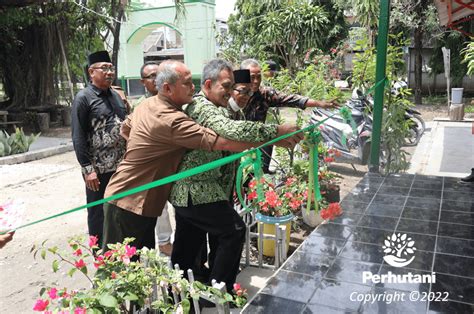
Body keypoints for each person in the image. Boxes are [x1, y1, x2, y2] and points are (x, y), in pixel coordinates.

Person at [101, 60, 300, 252]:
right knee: (121, 268)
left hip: (142, 200)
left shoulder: (148, 104)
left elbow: (125, 130)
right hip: (128, 200)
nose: (192, 87)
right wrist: (276, 135)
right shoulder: (172, 120)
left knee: (143, 265)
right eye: (186, 83)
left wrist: (147, 152)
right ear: (168, 89)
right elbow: (223, 142)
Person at [169, 59, 304, 294]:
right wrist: (277, 131)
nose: (231, 93)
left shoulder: (219, 108)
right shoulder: (202, 107)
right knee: (233, 230)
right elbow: (233, 131)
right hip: (195, 188)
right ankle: (219, 290)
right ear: (209, 84)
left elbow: (236, 138)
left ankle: (182, 295)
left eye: (233, 87)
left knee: (187, 247)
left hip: (198, 191)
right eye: (227, 86)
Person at [240, 58, 339, 173]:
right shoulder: (233, 95)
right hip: (236, 142)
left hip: (257, 140)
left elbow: (292, 99)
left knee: (267, 143)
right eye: (252, 77)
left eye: (258, 77)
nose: (256, 81)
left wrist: (320, 103)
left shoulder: (264, 94)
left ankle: (263, 173)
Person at [71, 51, 127, 246]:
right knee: (98, 212)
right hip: (98, 170)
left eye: (111, 68)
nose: (109, 72)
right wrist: (88, 169)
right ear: (91, 72)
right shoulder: (84, 98)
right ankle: (100, 254)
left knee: (119, 208)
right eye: (104, 68)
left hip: (120, 167)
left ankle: (120, 248)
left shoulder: (116, 96)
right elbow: (78, 135)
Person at [133, 61, 174, 256]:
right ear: (143, 82)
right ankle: (163, 242)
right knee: (158, 205)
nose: (156, 79)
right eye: (151, 76)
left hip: (171, 163)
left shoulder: (172, 100)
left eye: (158, 75)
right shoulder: (139, 105)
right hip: (149, 166)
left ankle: (169, 242)